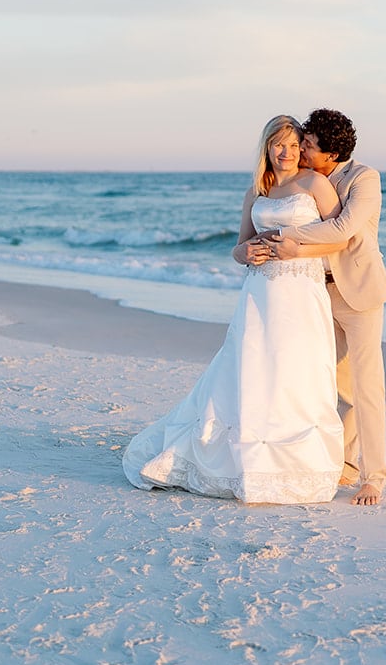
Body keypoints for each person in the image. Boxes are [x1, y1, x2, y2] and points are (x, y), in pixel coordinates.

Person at [121, 115, 344, 504]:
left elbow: (340, 241)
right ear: (266, 147)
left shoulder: (315, 184)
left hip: (300, 291)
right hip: (259, 293)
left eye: (293, 145)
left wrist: (297, 249)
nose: (286, 152)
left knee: (296, 369)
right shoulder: (259, 189)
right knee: (252, 366)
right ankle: (239, 458)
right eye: (278, 144)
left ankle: (297, 463)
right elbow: (239, 246)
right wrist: (244, 253)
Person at [257, 108, 386, 506]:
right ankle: (343, 465)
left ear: (331, 154)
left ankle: (374, 477)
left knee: (367, 388)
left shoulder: (364, 178)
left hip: (359, 292)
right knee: (330, 385)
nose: (301, 151)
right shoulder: (304, 179)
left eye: (310, 146)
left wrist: (283, 235)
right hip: (316, 292)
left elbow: (341, 229)